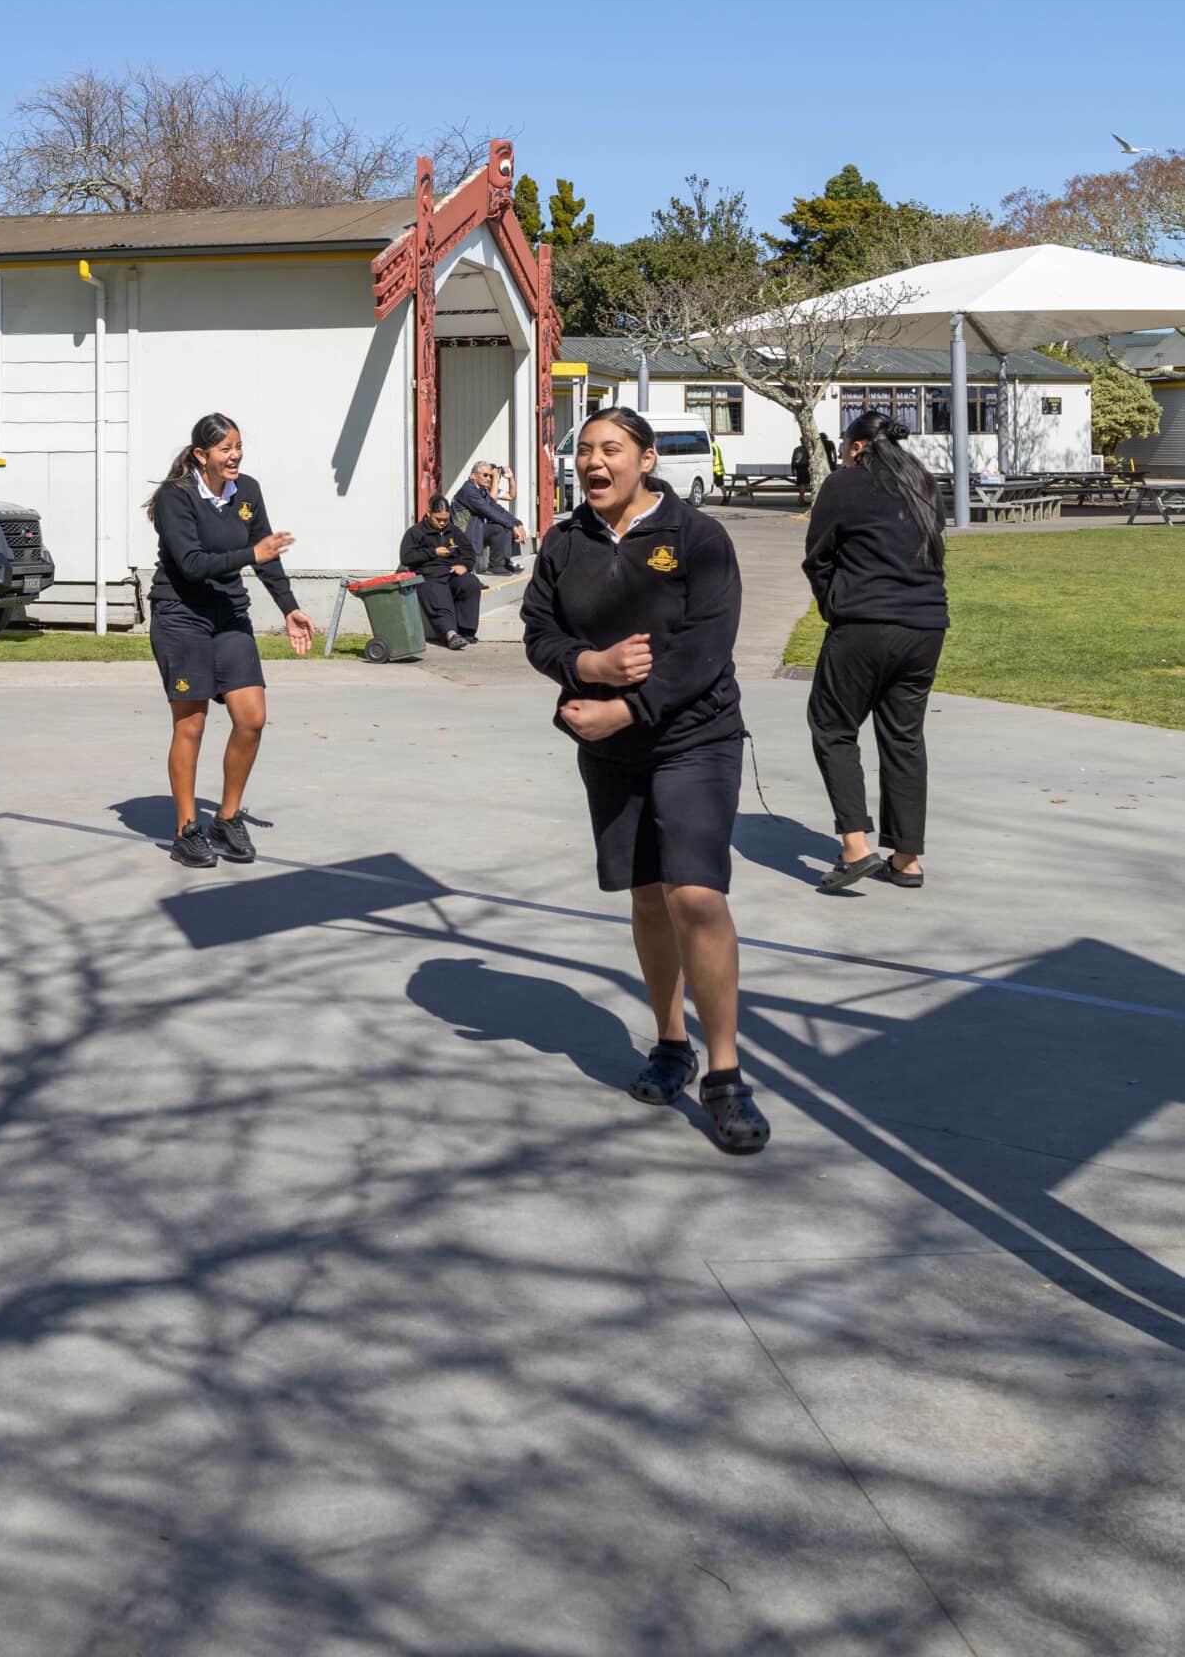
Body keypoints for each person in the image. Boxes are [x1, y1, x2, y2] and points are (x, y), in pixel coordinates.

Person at [521, 407, 769, 1155]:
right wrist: (586, 668)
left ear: (646, 458)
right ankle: (670, 1043)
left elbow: (705, 650)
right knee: (647, 898)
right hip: (608, 749)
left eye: (611, 450)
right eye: (584, 451)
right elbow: (539, 631)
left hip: (695, 738)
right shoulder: (564, 543)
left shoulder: (696, 537)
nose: (593, 463)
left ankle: (724, 1075)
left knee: (694, 894)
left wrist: (627, 707)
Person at [147, 412, 314, 869]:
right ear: (202, 455)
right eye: (225, 449)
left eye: (239, 446)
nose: (235, 455)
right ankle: (187, 829)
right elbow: (192, 564)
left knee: (252, 718)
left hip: (228, 614)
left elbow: (266, 555)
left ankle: (226, 817)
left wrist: (289, 607)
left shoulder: (248, 491)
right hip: (181, 614)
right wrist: (251, 553)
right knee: (192, 724)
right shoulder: (174, 498)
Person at [804, 408, 948, 894]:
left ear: (860, 446)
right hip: (926, 626)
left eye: (845, 444)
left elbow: (818, 555)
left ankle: (855, 847)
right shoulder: (924, 483)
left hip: (865, 624)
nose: (842, 451)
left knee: (832, 725)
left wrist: (834, 605)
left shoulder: (843, 486)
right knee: (904, 736)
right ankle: (906, 859)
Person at [399, 495, 482, 649]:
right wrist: (433, 553)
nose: (443, 523)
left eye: (446, 519)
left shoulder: (454, 531)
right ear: (429, 513)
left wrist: (464, 566)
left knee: (470, 583)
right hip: (429, 575)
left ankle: (466, 632)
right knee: (438, 596)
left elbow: (469, 552)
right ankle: (450, 634)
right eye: (438, 519)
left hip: (452, 573)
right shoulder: (415, 532)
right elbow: (406, 557)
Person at [458, 462, 527, 573]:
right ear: (473, 476)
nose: (489, 478)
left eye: (491, 476)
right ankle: (496, 565)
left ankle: (503, 562)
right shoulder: (469, 490)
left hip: (476, 528)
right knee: (499, 528)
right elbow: (488, 510)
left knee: (505, 526)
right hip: (465, 530)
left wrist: (517, 523)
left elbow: (496, 507)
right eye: (485, 475)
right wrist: (512, 525)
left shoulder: (481, 490)